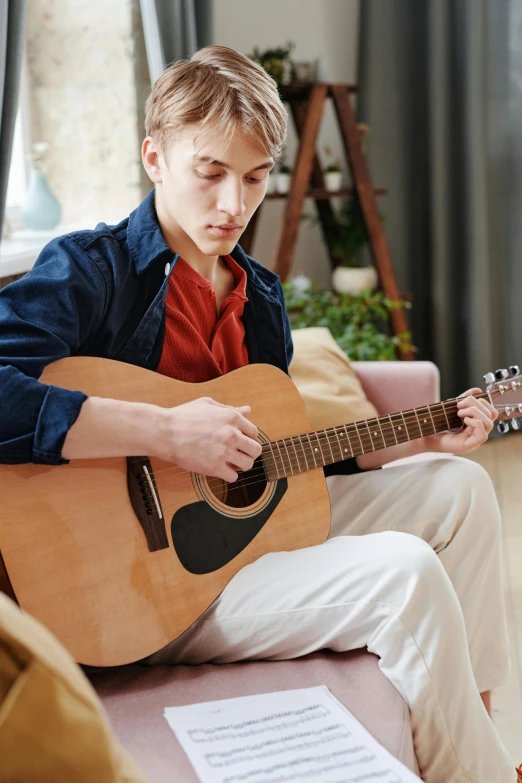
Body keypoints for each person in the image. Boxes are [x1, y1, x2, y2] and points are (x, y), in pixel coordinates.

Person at [0, 45, 518, 783]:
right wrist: (170, 431)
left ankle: (481, 734)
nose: (232, 206)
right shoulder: (91, 271)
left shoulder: (261, 296)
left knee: (459, 490)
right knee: (403, 572)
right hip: (148, 591)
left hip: (243, 549)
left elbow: (279, 462)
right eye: (209, 173)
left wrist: (420, 435)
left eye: (253, 178)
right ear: (154, 157)